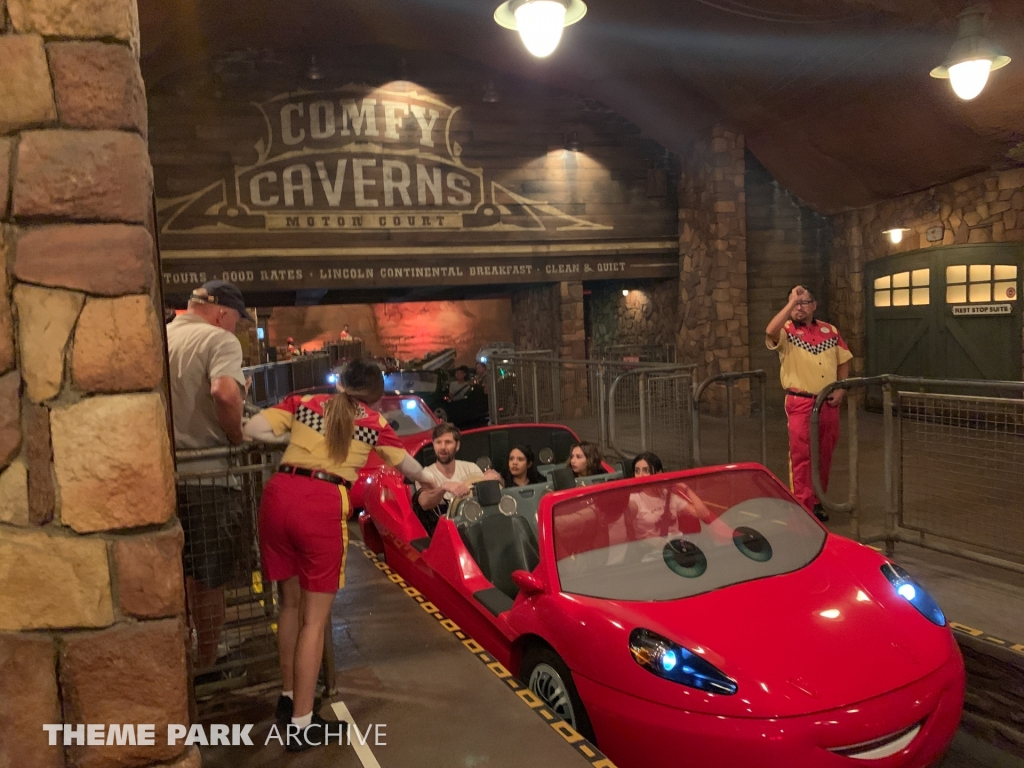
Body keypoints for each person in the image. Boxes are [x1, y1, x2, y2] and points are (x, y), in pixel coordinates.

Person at [243, 360, 435, 750]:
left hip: (278, 495)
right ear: (377, 395)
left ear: (342, 383)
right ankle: (301, 723)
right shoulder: (373, 422)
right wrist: (441, 482)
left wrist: (291, 442)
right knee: (315, 620)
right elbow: (410, 467)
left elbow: (252, 428)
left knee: (289, 605)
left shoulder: (305, 401)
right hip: (320, 502)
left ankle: (287, 697)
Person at [166, 280, 251, 677]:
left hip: (165, 479)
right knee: (209, 576)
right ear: (221, 312)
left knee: (180, 573)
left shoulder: (160, 336)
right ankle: (207, 661)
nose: (235, 328)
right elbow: (224, 394)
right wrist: (237, 436)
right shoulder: (219, 340)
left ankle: (184, 651)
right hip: (210, 475)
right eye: (236, 320)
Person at [766, 285, 852, 522]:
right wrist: (790, 303)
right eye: (795, 303)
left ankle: (817, 501)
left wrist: (842, 387)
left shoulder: (830, 330)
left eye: (803, 302)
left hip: (827, 401)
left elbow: (843, 360)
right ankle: (802, 505)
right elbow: (770, 330)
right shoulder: (785, 331)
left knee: (825, 454)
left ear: (814, 305)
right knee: (802, 456)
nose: (799, 307)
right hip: (800, 402)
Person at [413, 423, 502, 534]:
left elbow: (494, 494)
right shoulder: (425, 474)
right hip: (443, 533)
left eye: (448, 442)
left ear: (457, 445)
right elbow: (424, 503)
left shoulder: (471, 467)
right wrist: (443, 488)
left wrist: (496, 479)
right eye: (438, 442)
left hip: (475, 527)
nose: (443, 447)